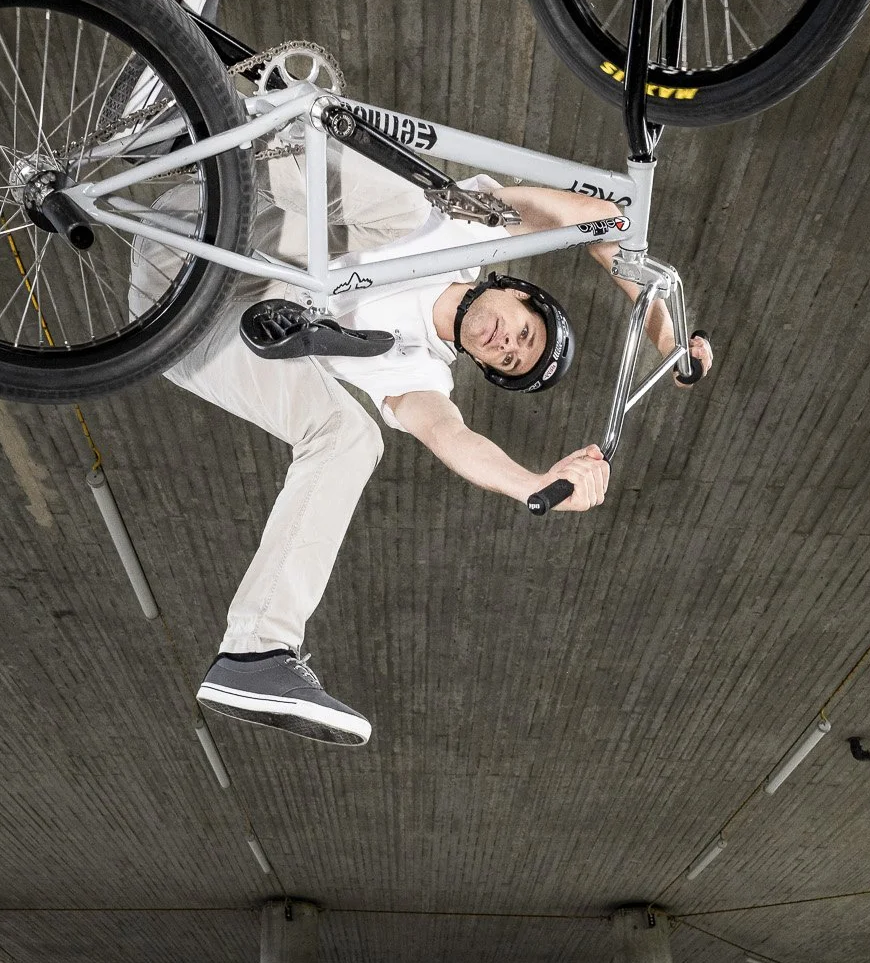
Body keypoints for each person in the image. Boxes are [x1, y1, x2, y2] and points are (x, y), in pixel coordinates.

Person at [140, 142, 711, 746]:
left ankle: (253, 655)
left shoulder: (418, 373)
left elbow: (454, 437)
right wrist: (665, 333)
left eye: (511, 358)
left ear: (486, 367)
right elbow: (589, 217)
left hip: (187, 314)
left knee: (352, 437)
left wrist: (533, 484)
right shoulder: (467, 231)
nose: (506, 341)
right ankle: (206, 125)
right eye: (522, 329)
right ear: (514, 290)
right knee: (416, 207)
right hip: (219, 212)